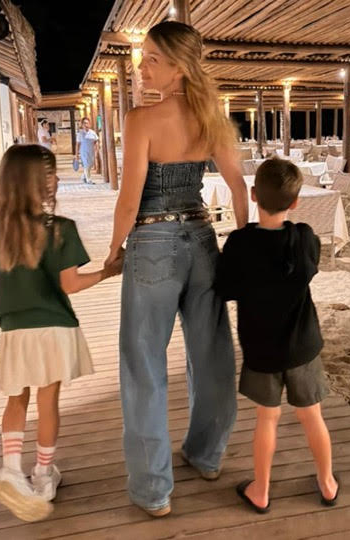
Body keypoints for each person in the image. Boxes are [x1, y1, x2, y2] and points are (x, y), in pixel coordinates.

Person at [103, 21, 248, 517]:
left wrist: (114, 250)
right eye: (143, 57)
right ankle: (207, 455)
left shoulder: (141, 120)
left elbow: (129, 200)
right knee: (212, 354)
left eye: (153, 59)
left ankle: (153, 489)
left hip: (152, 242)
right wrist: (242, 243)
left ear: (180, 67)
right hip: (203, 241)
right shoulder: (211, 118)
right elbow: (239, 187)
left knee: (143, 362)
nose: (142, 67)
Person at [0, 144, 123, 522]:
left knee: (16, 399)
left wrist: (7, 322)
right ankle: (43, 474)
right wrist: (108, 272)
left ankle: (11, 469)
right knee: (48, 401)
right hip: (55, 328)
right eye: (49, 174)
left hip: (14, 329)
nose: (55, 179)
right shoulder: (59, 230)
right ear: (33, 182)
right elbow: (70, 284)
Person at [216, 158, 338, 514]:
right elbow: (311, 268)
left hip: (261, 350)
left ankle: (262, 490)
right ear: (295, 201)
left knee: (267, 419)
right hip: (302, 346)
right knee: (312, 416)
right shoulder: (304, 238)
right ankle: (327, 482)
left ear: (254, 195)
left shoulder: (240, 243)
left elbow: (225, 289)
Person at [76, 117, 99, 184]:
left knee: (90, 165)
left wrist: (97, 149)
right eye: (84, 123)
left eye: (87, 123)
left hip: (91, 152)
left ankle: (83, 176)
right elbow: (77, 144)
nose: (86, 125)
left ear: (89, 124)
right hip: (83, 152)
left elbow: (96, 141)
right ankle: (89, 179)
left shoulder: (93, 133)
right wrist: (76, 155)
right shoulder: (80, 133)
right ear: (82, 125)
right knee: (86, 165)